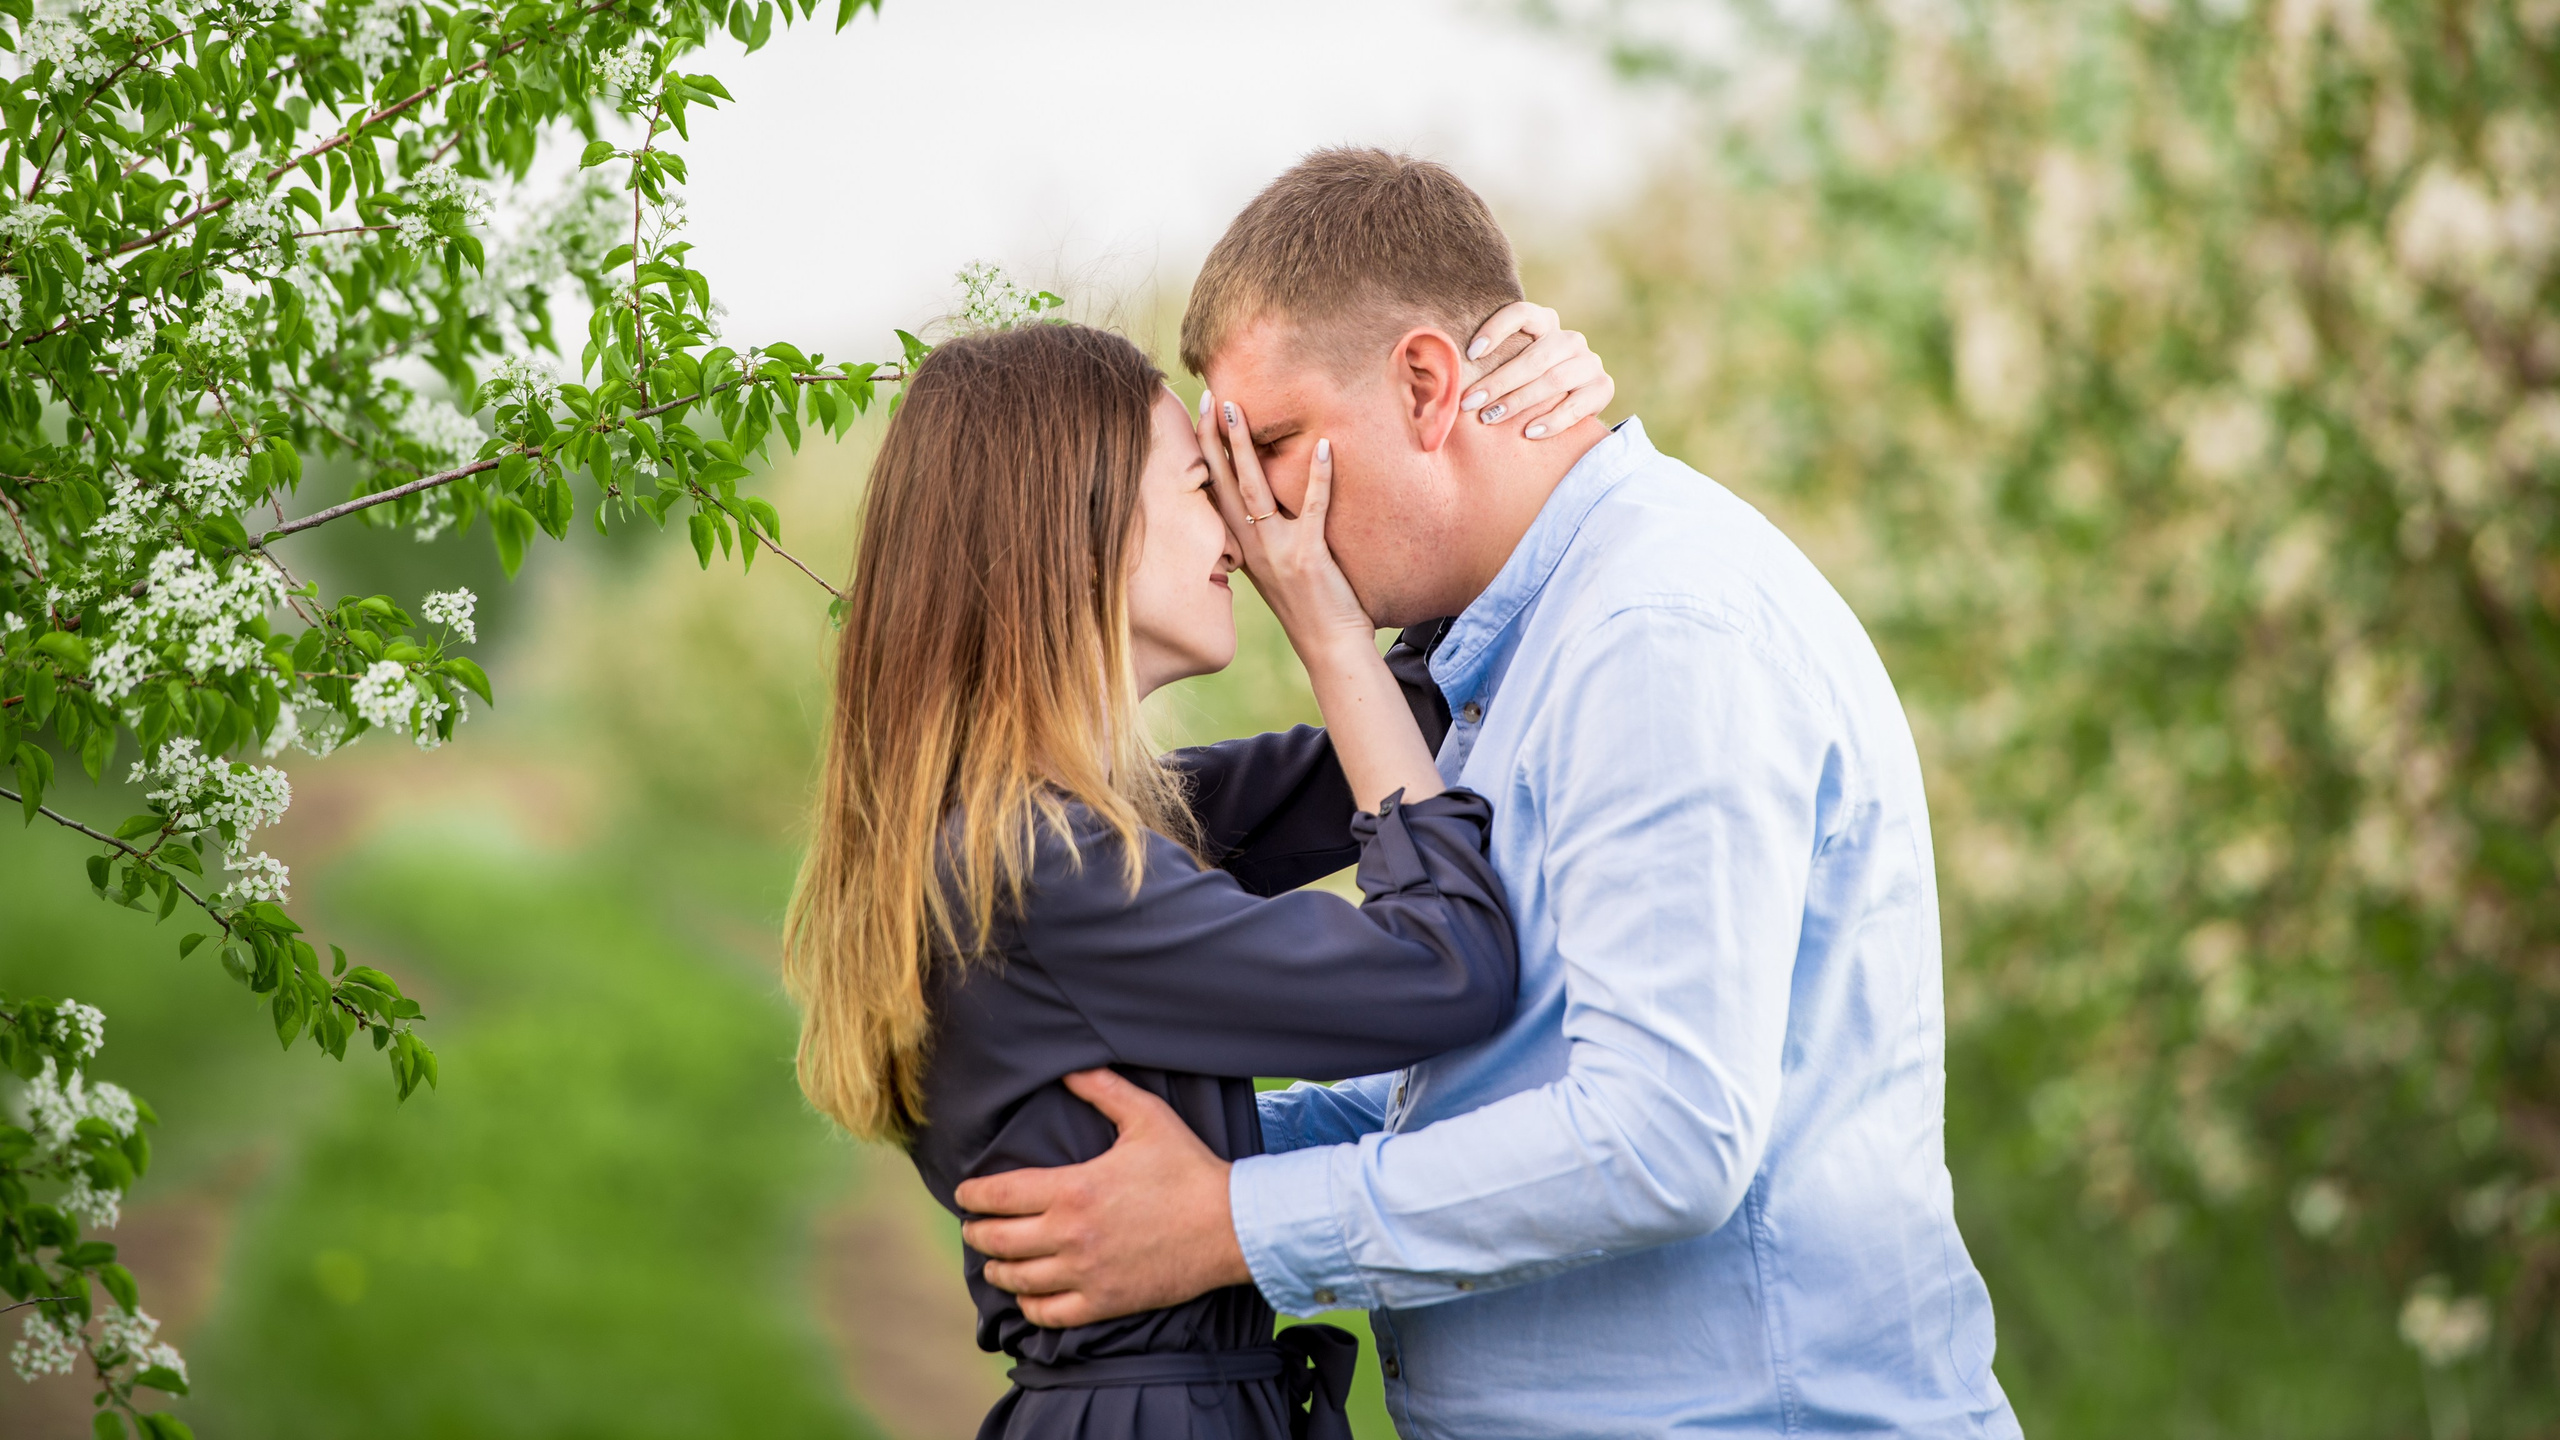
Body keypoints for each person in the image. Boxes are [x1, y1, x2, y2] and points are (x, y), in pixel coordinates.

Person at [952, 149, 2026, 1439]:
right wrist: (1158, 1169)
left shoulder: (1656, 633)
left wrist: (1229, 1224)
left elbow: (1657, 1137)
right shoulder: (1509, 654)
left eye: (1275, 445)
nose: (1251, 519)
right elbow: (1488, 1086)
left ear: (1423, 383)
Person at [781, 308, 1616, 1439]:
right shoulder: (1043, 868)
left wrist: (1495, 439)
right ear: (1070, 534)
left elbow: (1401, 738)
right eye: (1197, 483)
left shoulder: (1067, 825)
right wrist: (1326, 635)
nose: (1241, 516)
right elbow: (1444, 970)